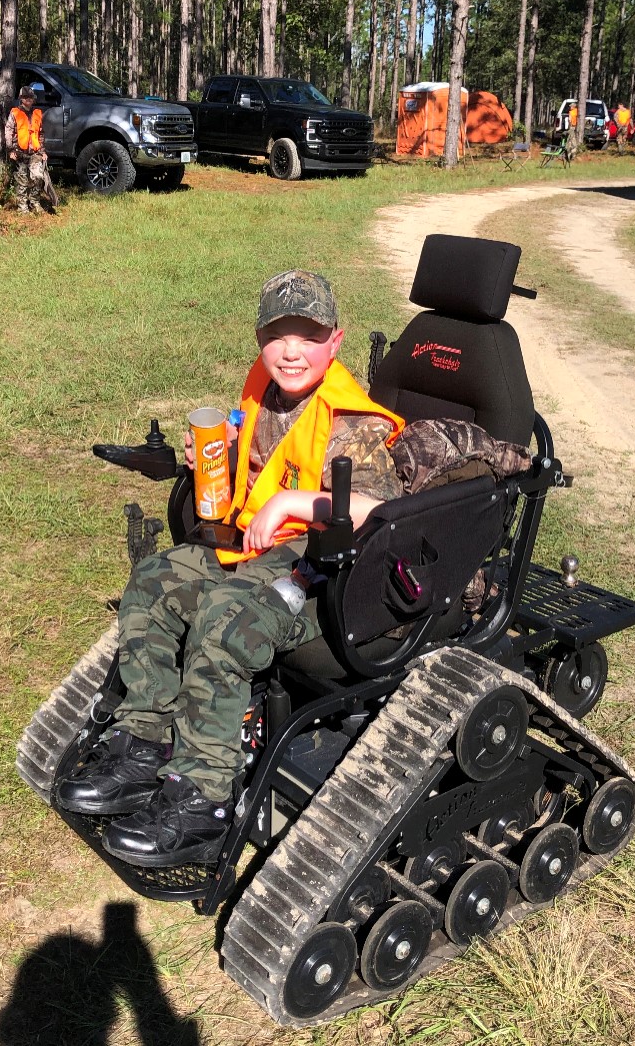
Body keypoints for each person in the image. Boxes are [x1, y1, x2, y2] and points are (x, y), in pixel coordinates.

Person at [57, 270, 405, 867]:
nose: (291, 351)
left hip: (326, 569)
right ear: (258, 338)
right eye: (277, 335)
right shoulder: (264, 398)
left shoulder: (352, 424)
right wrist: (206, 459)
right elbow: (250, 472)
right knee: (153, 582)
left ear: (336, 341)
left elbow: (382, 513)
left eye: (308, 335)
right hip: (253, 548)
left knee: (226, 620)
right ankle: (146, 739)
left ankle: (204, 802)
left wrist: (296, 503)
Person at [5, 86, 47, 214]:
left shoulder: (37, 113)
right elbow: (8, 131)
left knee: (38, 177)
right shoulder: (15, 113)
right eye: (25, 97)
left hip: (35, 152)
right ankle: (22, 207)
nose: (28, 99)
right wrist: (11, 150)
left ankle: (35, 202)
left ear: (34, 99)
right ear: (21, 99)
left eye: (30, 97)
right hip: (19, 152)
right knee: (22, 181)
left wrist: (43, 151)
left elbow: (40, 134)